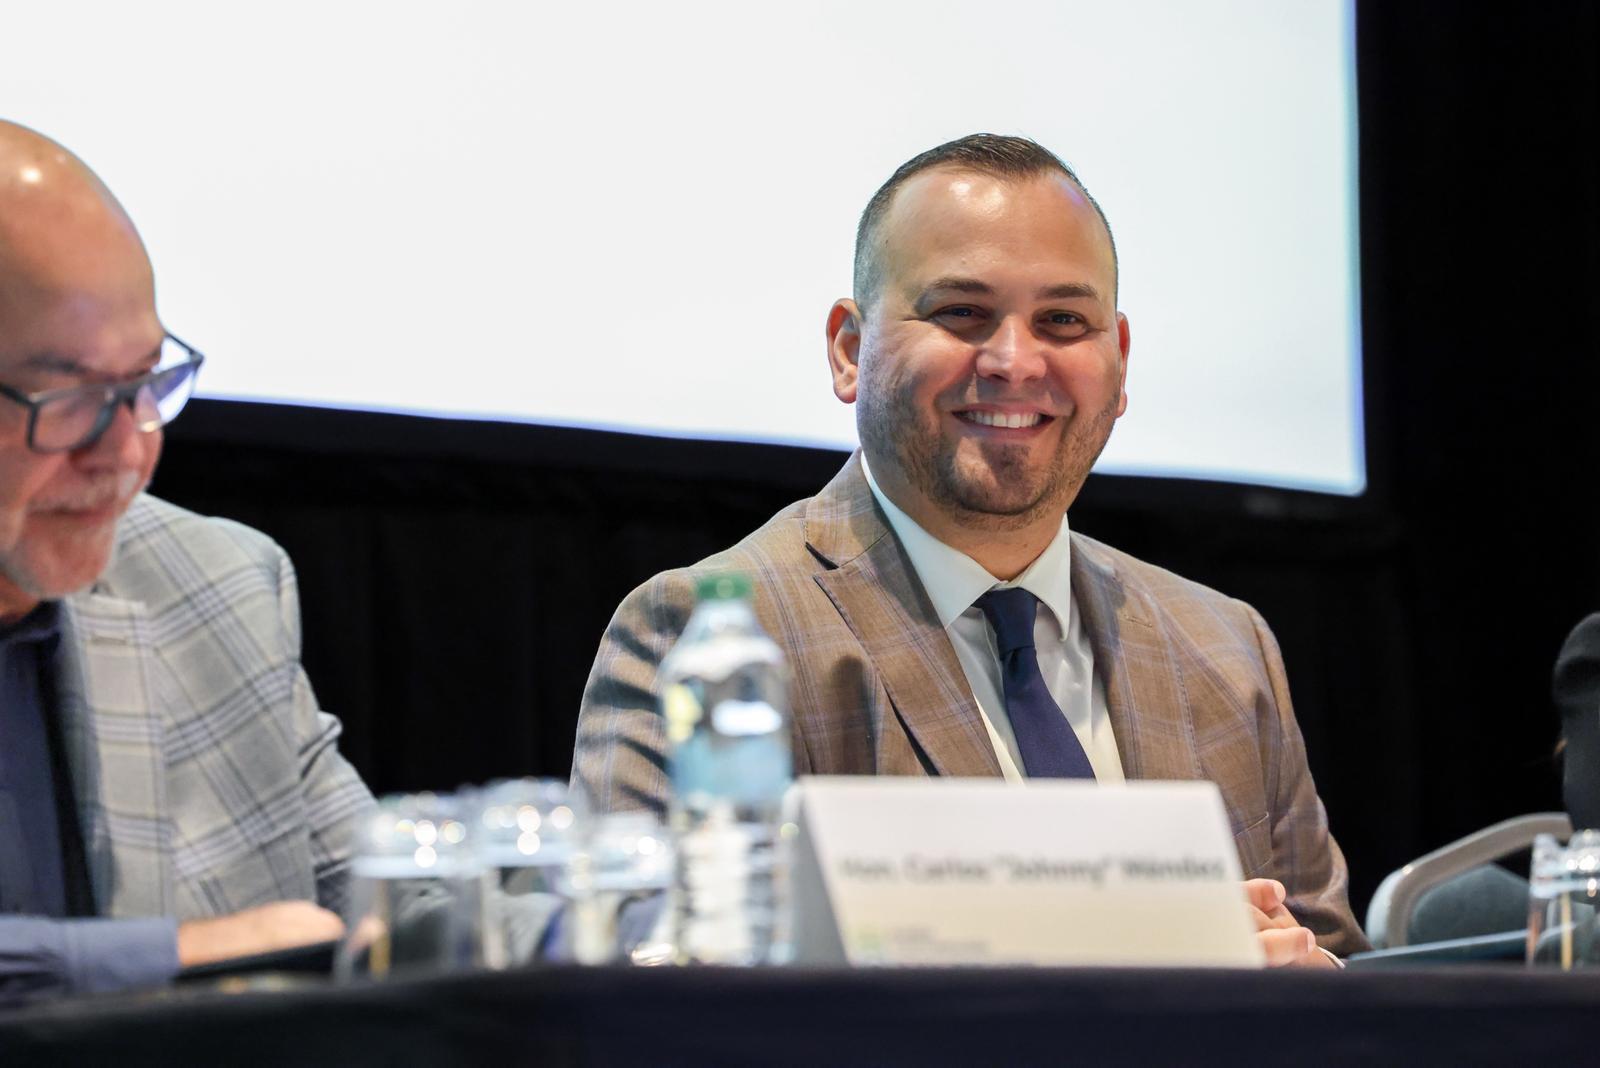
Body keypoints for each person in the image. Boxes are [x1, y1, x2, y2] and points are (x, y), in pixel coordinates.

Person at [573, 134, 1366, 964]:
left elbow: (1350, 977)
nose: (1016, 362)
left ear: (1120, 360)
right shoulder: (705, 634)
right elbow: (644, 984)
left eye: (1063, 320)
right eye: (962, 313)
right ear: (849, 349)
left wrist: (1307, 985)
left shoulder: (1226, 646)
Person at [0, 121, 374, 1000]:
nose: (126, 451)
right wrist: (180, 955)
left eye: (144, 385)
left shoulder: (211, 587)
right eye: (74, 402)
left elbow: (394, 912)